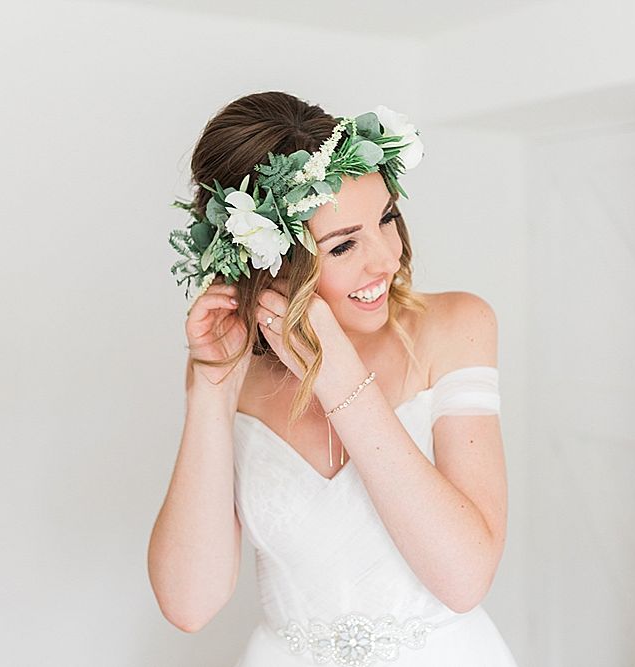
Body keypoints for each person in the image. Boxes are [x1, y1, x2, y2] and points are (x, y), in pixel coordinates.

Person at [148, 91, 518, 666]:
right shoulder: (233, 366)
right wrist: (210, 388)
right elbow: (188, 604)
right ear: (268, 261)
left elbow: (464, 578)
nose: (387, 259)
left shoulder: (456, 325)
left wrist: (339, 377)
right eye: (344, 244)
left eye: (387, 218)